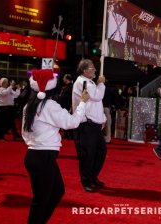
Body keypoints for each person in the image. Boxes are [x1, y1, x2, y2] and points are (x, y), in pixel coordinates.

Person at [22, 69, 89, 224]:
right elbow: (72, 122)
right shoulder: (50, 105)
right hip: (42, 156)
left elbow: (25, 133)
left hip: (35, 155)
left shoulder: (29, 106)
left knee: (56, 192)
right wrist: (83, 103)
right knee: (42, 200)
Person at [72, 59, 107, 192]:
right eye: (92, 68)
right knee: (87, 155)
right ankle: (86, 180)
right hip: (86, 124)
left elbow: (97, 103)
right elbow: (97, 96)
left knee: (100, 152)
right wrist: (101, 84)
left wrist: (102, 118)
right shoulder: (83, 82)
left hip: (94, 124)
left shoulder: (89, 82)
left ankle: (92, 177)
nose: (95, 70)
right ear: (85, 70)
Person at [58, 74, 74, 139]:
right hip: (64, 106)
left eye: (64, 77)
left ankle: (69, 135)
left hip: (68, 106)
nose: (63, 79)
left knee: (68, 121)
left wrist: (71, 107)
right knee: (65, 120)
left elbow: (72, 98)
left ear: (67, 79)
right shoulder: (66, 86)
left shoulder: (71, 87)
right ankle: (66, 134)